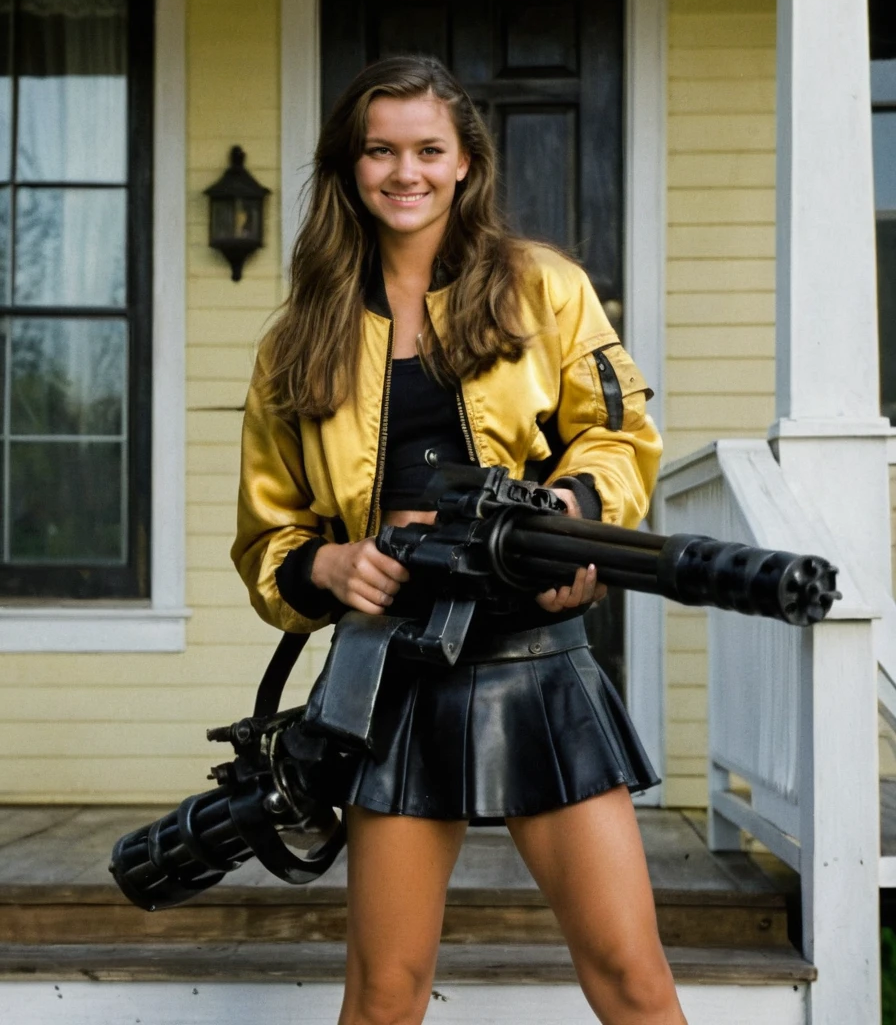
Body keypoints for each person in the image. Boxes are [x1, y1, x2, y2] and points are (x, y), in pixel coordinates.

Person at [232, 56, 688, 1025]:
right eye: (381, 151)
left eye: (428, 150)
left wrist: (571, 523)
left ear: (466, 163)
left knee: (632, 981)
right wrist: (326, 564)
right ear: (349, 167)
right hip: (390, 680)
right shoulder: (297, 337)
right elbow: (268, 536)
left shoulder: (543, 290)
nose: (407, 173)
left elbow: (617, 437)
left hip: (536, 664)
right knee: (385, 996)